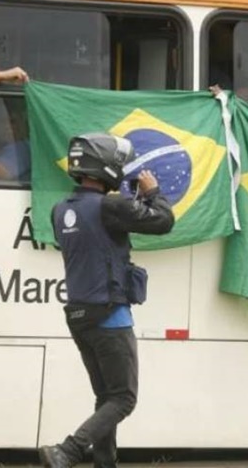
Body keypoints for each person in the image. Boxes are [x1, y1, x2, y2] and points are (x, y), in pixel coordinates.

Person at [38, 133, 175, 468]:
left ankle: (104, 463)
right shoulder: (111, 207)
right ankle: (67, 451)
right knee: (124, 399)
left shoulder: (60, 210)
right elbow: (164, 222)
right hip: (110, 315)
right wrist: (152, 192)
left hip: (78, 315)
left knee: (106, 398)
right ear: (107, 167)